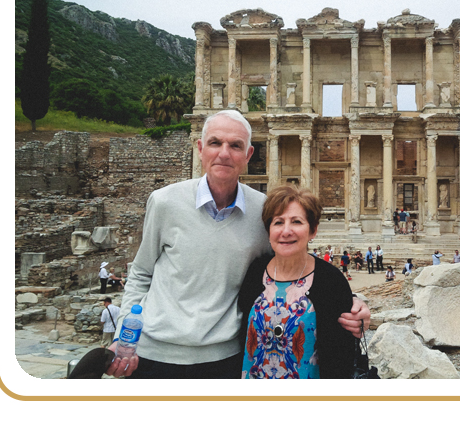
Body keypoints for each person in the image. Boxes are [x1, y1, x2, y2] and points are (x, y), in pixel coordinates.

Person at [115, 110, 370, 379]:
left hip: (225, 359)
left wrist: (348, 301)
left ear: (248, 155)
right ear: (200, 148)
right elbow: (141, 274)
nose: (224, 153)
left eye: (235, 145)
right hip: (156, 354)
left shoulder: (263, 209)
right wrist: (123, 338)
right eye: (215, 143)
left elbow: (291, 266)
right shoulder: (164, 201)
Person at [239, 184, 356, 378]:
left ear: (313, 231)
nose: (286, 231)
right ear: (268, 231)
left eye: (296, 222)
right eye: (278, 222)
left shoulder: (331, 281)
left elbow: (342, 357)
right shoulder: (254, 272)